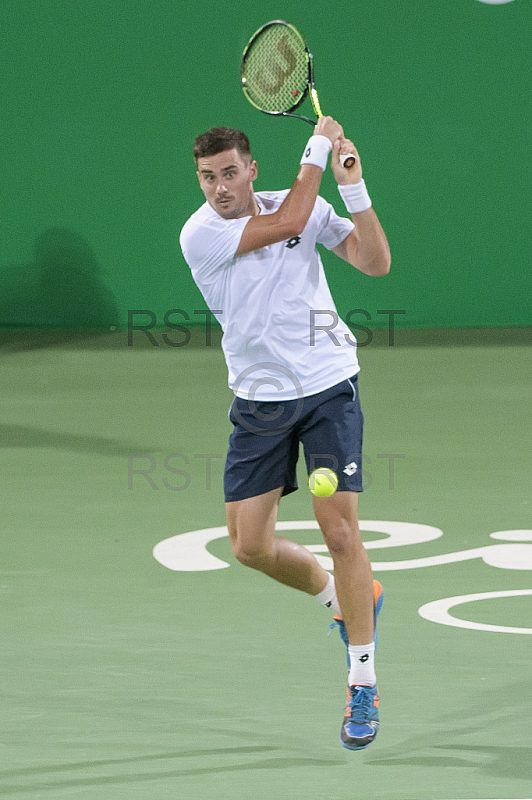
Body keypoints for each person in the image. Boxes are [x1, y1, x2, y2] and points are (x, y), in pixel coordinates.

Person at [179, 117, 391, 750]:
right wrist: (319, 146)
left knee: (341, 529)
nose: (218, 187)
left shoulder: (302, 202)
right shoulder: (202, 234)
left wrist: (355, 190)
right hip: (260, 401)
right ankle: (346, 597)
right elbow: (292, 221)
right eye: (206, 177)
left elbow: (375, 263)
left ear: (251, 170)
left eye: (228, 173)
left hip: (329, 384)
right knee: (249, 545)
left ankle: (362, 683)